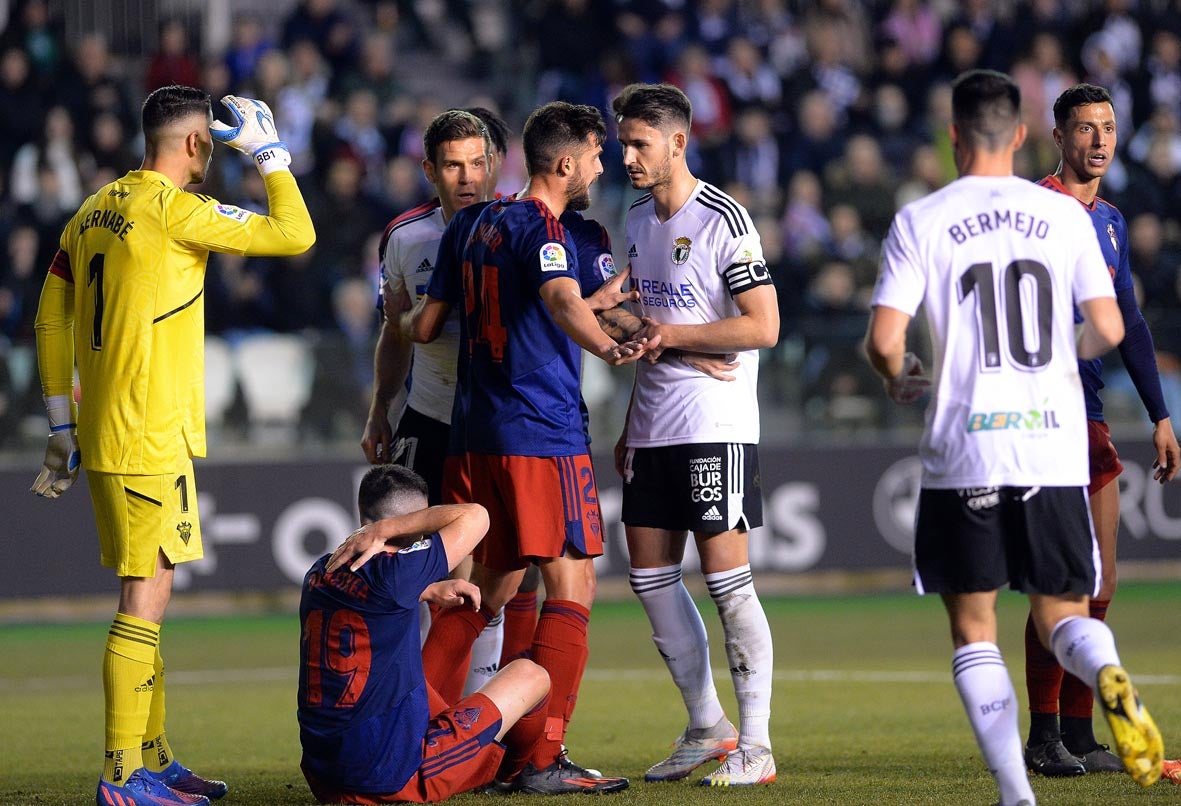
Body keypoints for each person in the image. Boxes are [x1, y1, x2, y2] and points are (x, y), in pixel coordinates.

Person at [864, 69, 1164, 806]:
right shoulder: (1062, 217)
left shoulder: (921, 218)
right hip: (1051, 442)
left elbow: (882, 340)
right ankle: (1106, 676)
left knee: (975, 629)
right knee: (1064, 610)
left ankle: (1014, 793)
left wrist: (900, 373)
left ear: (955, 136)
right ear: (1027, 135)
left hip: (965, 443)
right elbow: (1111, 326)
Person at [339, 100, 655, 795]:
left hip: (471, 434)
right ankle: (539, 756)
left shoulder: (473, 226)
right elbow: (559, 300)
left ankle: (395, 731)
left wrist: (395, 315)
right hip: (539, 433)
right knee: (571, 586)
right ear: (565, 162)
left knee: (485, 590)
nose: (604, 165)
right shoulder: (543, 229)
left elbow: (422, 328)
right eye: (598, 154)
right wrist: (610, 344)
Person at [30, 86, 315, 806]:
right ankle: (123, 775)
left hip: (109, 429)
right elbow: (296, 235)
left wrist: (61, 423)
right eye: (213, 147)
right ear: (193, 144)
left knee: (150, 593)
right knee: (144, 598)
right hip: (146, 431)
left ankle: (152, 756)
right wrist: (269, 155)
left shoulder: (92, 210)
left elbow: (49, 315)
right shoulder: (175, 211)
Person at [610, 82, 780, 787]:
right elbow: (633, 322)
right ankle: (708, 725)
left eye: (638, 144)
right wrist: (630, 416)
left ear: (677, 142)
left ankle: (758, 747)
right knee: (648, 578)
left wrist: (672, 336)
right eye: (622, 143)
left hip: (715, 423)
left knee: (727, 583)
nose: (626, 157)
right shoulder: (634, 218)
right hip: (651, 423)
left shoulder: (723, 218)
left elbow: (762, 326)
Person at [1021, 82, 1181, 778]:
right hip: (1036, 417)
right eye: (1083, 128)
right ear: (1057, 137)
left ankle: (1081, 734)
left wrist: (1160, 415)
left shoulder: (1111, 221)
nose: (1097, 140)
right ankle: (1041, 734)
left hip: (1086, 417)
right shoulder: (1031, 210)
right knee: (1058, 582)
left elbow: (1132, 328)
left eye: (1106, 128)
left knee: (1101, 579)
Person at [298, 464, 552, 804]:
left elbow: (370, 596)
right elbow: (476, 516)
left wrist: (426, 589)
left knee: (408, 681)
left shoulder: (319, 572)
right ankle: (513, 774)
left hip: (324, 774)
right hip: (389, 778)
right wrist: (395, 528)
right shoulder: (400, 571)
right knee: (530, 675)